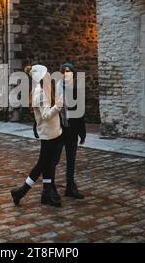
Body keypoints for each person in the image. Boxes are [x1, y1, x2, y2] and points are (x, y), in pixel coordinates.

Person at [10, 65, 64, 207]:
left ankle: (46, 193)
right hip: (48, 134)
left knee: (49, 165)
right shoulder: (39, 93)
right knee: (42, 165)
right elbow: (46, 115)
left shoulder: (44, 91)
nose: (49, 76)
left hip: (54, 132)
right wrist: (58, 106)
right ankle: (21, 192)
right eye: (47, 74)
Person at [56, 61, 86, 199]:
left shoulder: (76, 88)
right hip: (59, 127)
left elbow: (80, 112)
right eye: (63, 71)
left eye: (68, 71)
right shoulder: (56, 86)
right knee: (53, 158)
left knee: (71, 159)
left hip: (72, 128)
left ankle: (70, 186)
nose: (66, 74)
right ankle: (49, 186)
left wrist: (82, 132)